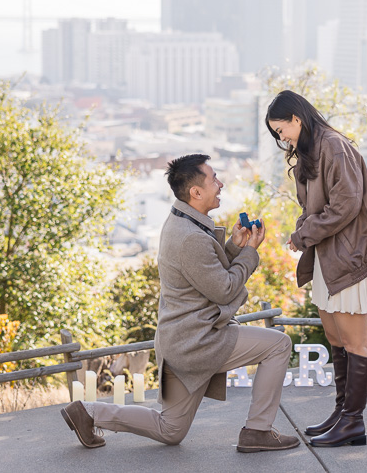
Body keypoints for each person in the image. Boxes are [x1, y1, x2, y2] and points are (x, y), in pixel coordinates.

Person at [60, 153, 299, 454]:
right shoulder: (190, 237)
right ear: (196, 192)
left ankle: (89, 412)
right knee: (278, 345)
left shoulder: (181, 221)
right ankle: (258, 431)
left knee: (170, 430)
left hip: (178, 345)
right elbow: (224, 290)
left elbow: (203, 272)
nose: (220, 184)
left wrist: (234, 247)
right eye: (214, 179)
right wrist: (250, 251)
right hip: (200, 343)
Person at [265, 90, 367, 448]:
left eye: (281, 129)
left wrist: (306, 234)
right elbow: (313, 206)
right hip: (325, 260)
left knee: (355, 342)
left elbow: (347, 203)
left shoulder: (334, 145)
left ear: (296, 118)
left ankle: (353, 423)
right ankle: (342, 412)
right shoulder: (311, 152)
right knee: (335, 339)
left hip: (347, 259)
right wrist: (302, 232)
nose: (280, 137)